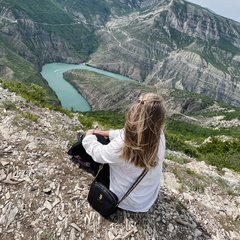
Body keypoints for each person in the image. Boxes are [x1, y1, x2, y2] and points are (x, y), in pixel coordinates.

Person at [82, 93, 166, 212]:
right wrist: (105, 133)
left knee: (95, 146)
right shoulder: (159, 136)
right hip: (146, 198)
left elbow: (98, 154)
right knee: (105, 143)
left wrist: (89, 136)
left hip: (125, 200)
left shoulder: (122, 146)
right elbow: (128, 133)